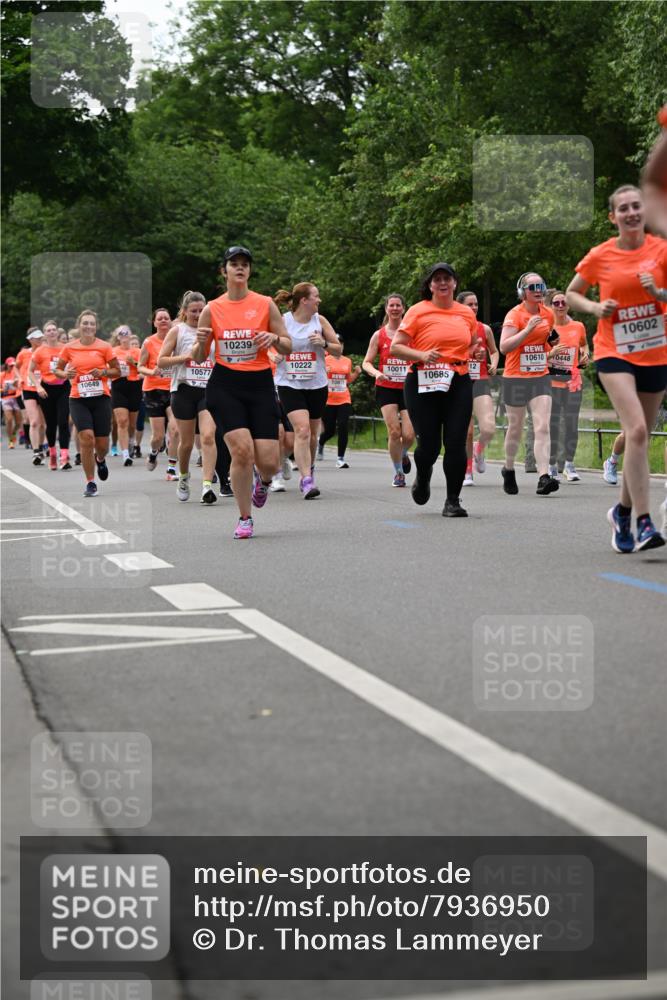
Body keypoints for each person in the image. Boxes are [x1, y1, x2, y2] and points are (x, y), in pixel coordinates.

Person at [566, 184, 667, 551]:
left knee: (641, 438)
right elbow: (573, 291)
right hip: (613, 351)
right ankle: (644, 522)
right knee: (636, 429)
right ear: (613, 217)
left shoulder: (661, 250)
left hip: (654, 351)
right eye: (623, 208)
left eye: (636, 206)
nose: (631, 213)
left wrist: (658, 295)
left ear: (645, 211)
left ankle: (621, 512)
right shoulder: (601, 254)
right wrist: (594, 308)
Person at [193, 245, 291, 539]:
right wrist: (200, 342)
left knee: (270, 462)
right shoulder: (212, 308)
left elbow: (287, 346)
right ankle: (245, 517)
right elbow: (199, 358)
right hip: (225, 385)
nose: (240, 268)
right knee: (242, 451)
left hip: (259, 384)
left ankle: (263, 480)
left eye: (244, 264)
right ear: (224, 270)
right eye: (233, 263)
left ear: (249, 271)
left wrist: (274, 338)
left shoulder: (265, 304)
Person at [390, 262, 480, 517]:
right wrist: (421, 354)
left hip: (458, 379)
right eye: (437, 279)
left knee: (455, 442)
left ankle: (453, 500)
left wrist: (476, 352)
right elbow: (397, 346)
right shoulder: (418, 311)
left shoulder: (465, 313)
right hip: (422, 380)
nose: (442, 283)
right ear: (430, 285)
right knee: (428, 446)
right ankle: (423, 475)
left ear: (455, 284)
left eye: (447, 279)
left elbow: (471, 343)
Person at [273, 282, 342, 498]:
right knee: (301, 430)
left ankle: (308, 470)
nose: (319, 300)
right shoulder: (284, 321)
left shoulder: (319, 321)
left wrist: (323, 344)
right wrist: (275, 354)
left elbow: (339, 350)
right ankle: (306, 480)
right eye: (316, 296)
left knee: (312, 435)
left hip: (316, 384)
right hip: (289, 383)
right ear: (304, 300)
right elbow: (270, 343)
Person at [499, 273, 559, 496]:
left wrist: (552, 345)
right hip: (515, 377)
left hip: (540, 376)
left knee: (542, 426)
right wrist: (527, 330)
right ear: (522, 292)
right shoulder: (515, 315)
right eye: (532, 286)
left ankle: (544, 477)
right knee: (515, 428)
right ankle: (508, 468)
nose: (537, 289)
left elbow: (548, 339)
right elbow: (504, 347)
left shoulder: (548, 314)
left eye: (540, 286)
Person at [158, 291, 220, 504]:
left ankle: (206, 486)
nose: (197, 314)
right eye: (193, 311)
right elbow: (161, 361)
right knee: (185, 443)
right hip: (183, 390)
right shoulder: (178, 331)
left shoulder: (214, 332)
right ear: (184, 312)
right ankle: (183, 477)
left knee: (208, 436)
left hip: (208, 390)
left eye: (201, 310)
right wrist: (186, 357)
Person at [54, 310, 120, 497]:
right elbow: (57, 370)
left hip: (101, 399)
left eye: (92, 323)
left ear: (96, 326)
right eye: (85, 323)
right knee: (86, 438)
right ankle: (90, 482)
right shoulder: (69, 348)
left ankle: (100, 459)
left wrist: (104, 373)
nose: (88, 326)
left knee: (102, 444)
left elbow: (117, 371)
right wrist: (65, 374)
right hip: (78, 399)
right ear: (79, 325)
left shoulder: (105, 347)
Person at [361, 293, 415, 487]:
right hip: (386, 388)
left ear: (403, 309)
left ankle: (403, 453)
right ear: (386, 309)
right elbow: (366, 362)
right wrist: (376, 373)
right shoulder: (379, 335)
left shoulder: (410, 333)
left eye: (398, 305)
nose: (394, 308)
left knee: (409, 435)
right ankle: (398, 472)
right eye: (391, 305)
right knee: (394, 432)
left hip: (408, 387)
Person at [545, 290, 589, 481]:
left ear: (569, 305)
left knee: (572, 423)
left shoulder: (578, 326)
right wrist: (551, 355)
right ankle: (552, 465)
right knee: (553, 424)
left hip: (573, 382)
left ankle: (569, 465)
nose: (561, 306)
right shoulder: (546, 328)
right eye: (557, 303)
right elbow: (540, 355)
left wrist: (586, 355)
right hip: (552, 382)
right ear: (551, 306)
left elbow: (584, 345)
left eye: (564, 302)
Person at [456, 291, 499, 485]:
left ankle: (478, 450)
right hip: (460, 381)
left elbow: (494, 351)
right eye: (469, 304)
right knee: (468, 431)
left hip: (480, 380)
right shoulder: (454, 329)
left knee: (489, 428)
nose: (474, 308)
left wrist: (494, 363)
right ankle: (467, 471)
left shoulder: (485, 329)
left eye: (476, 304)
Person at [138, 308, 180, 478]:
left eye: (166, 318)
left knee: (175, 429)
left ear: (171, 321)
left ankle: (171, 468)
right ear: (154, 323)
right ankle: (154, 452)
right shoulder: (149, 342)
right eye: (160, 318)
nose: (163, 321)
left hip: (173, 388)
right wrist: (151, 372)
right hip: (153, 390)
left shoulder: (177, 340)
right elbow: (140, 366)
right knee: (158, 436)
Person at [28, 319, 72, 470]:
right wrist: (38, 386)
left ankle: (64, 457)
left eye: (54, 329)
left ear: (57, 332)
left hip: (64, 387)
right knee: (51, 424)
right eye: (48, 330)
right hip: (47, 389)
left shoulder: (65, 348)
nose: (52, 332)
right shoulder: (40, 351)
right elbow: (30, 371)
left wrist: (70, 373)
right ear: (44, 334)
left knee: (63, 422)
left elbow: (73, 364)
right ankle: (53, 453)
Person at [317, 340, 361, 467]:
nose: (339, 346)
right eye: (337, 343)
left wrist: (356, 373)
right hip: (328, 400)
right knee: (329, 430)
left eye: (341, 343)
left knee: (343, 425)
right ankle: (321, 443)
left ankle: (340, 458)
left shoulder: (347, 361)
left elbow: (348, 380)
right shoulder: (325, 359)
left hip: (344, 398)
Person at [110, 325, 142, 467]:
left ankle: (130, 441)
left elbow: (143, 368)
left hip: (134, 386)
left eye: (126, 333)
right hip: (118, 386)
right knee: (122, 421)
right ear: (117, 337)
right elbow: (107, 369)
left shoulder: (138, 351)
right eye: (121, 333)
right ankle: (125, 454)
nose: (124, 336)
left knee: (132, 423)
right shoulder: (112, 352)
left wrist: (132, 363)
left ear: (130, 335)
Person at [17, 329, 47, 464]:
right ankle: (36, 452)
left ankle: (40, 447)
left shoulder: (45, 351)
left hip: (43, 388)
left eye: (41, 337)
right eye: (36, 338)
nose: (39, 340)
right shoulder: (24, 353)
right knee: (34, 421)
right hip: (28, 389)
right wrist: (19, 378)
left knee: (42, 424)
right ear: (30, 340)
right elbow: (16, 367)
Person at [0, 358, 22, 447]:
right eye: (11, 365)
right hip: (6, 398)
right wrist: (3, 389)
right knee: (9, 420)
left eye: (14, 365)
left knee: (18, 423)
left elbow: (21, 385)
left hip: (16, 397)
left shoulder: (17, 374)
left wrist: (17, 384)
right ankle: (11, 440)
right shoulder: (2, 375)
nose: (12, 367)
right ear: (6, 365)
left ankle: (13, 435)